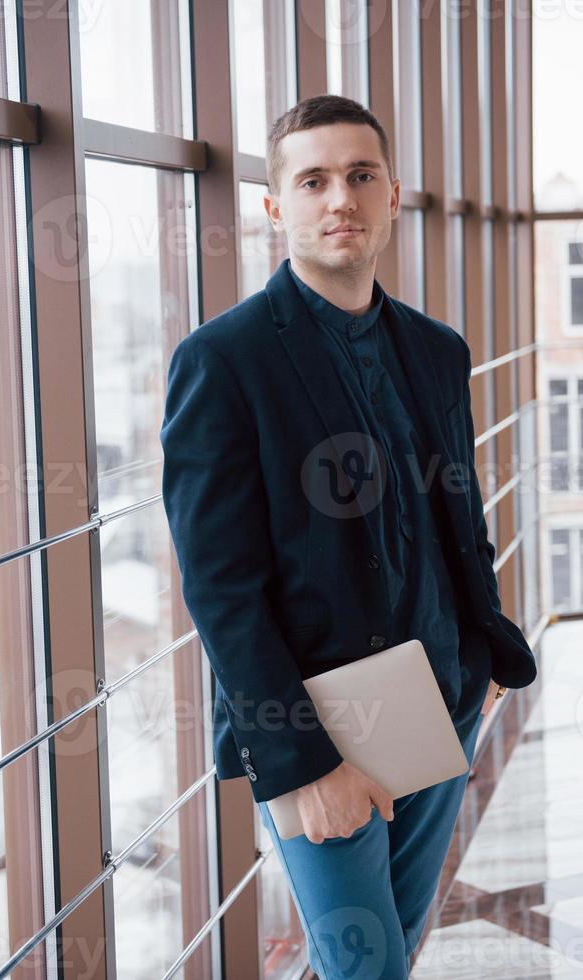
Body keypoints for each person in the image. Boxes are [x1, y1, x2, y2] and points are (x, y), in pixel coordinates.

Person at [159, 94, 537, 979]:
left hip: (442, 699)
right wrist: (305, 762)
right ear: (274, 205)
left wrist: (479, 658)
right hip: (320, 725)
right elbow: (220, 588)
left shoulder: (436, 349)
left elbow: (458, 515)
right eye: (315, 180)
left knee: (389, 955)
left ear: (394, 195)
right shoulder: (224, 362)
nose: (341, 200)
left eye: (361, 177)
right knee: (362, 965)